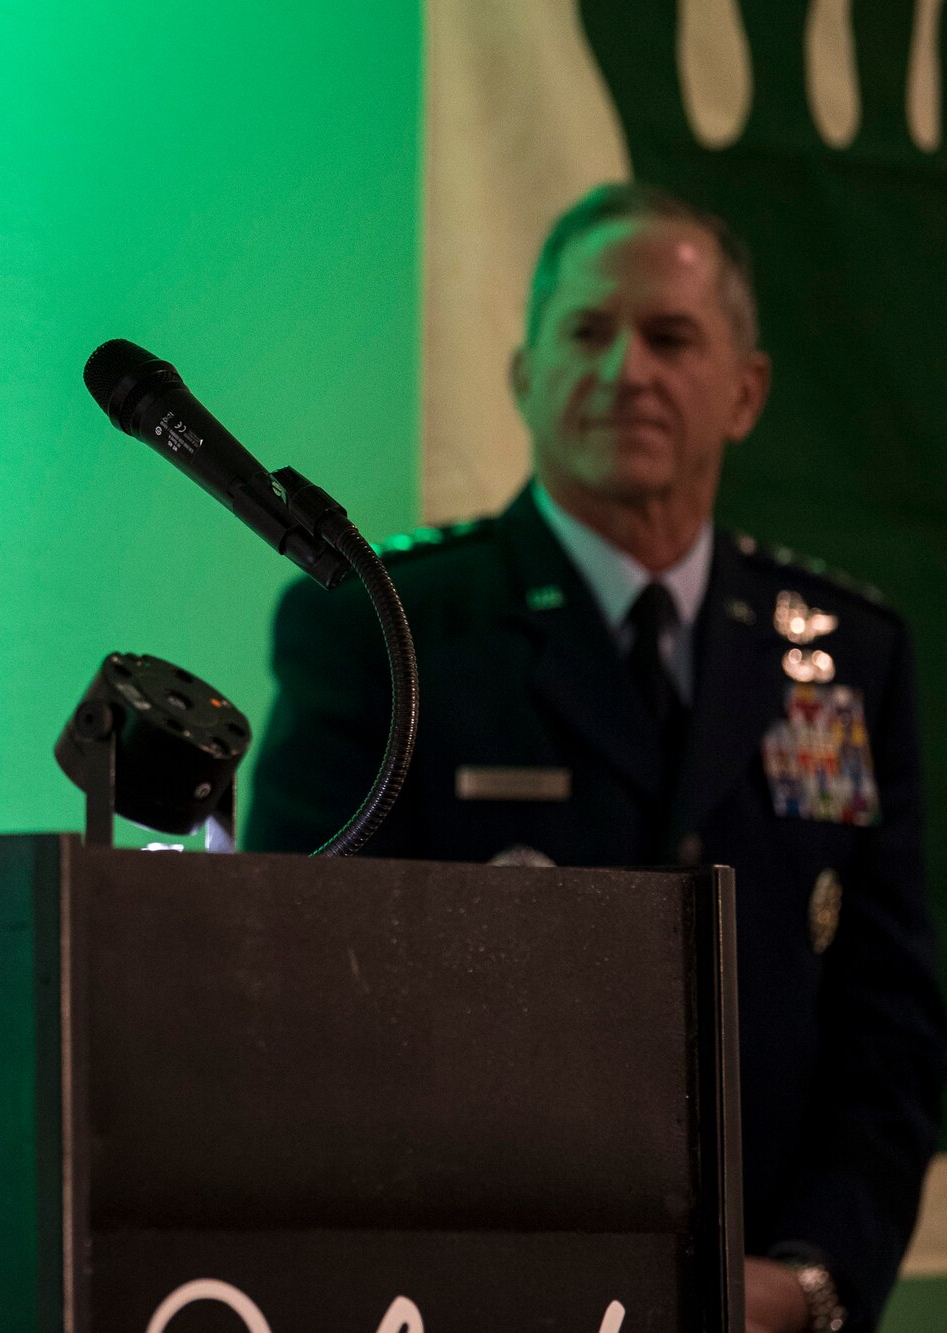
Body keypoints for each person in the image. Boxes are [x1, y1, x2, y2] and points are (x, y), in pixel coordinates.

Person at [244, 183, 947, 1333]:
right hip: (466, 1301)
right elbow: (299, 988)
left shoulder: (845, 655)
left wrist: (811, 1277)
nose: (624, 370)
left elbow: (888, 1024)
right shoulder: (387, 630)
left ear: (747, 391)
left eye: (668, 338)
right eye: (585, 331)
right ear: (523, 377)